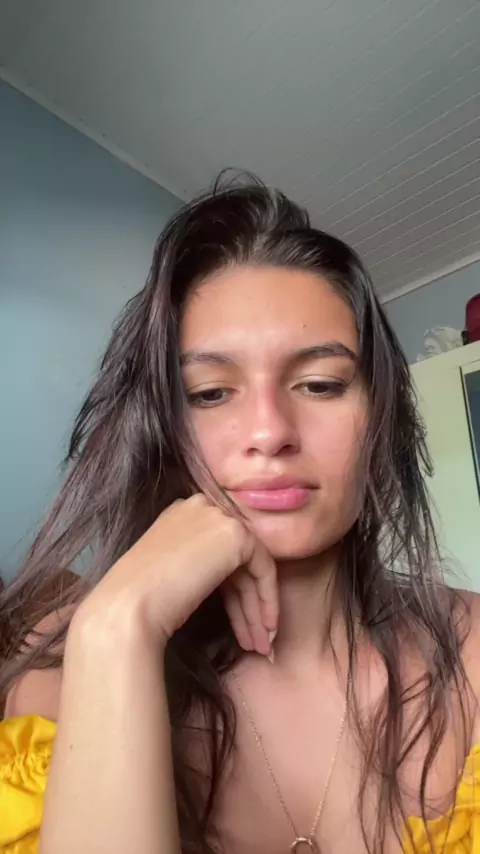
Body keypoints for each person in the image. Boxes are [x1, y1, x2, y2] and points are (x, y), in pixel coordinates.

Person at [0, 175, 479, 854]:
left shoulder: (474, 648)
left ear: (380, 419)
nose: (269, 432)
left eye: (320, 384)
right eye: (210, 393)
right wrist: (118, 628)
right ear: (164, 433)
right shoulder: (62, 678)